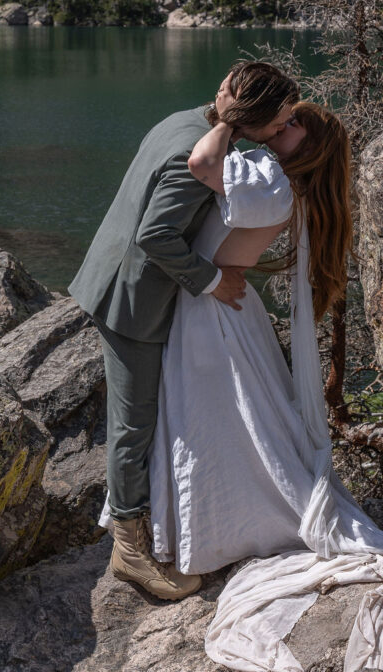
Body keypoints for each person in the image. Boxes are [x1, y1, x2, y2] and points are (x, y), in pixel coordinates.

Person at [123, 85, 383, 672]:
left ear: (311, 149)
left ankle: (214, 528)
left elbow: (201, 163)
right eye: (283, 119)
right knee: (220, 422)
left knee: (210, 422)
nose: (282, 126)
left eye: (293, 125)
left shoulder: (269, 186)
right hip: (218, 308)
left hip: (211, 316)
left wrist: (230, 116)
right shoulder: (270, 179)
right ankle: (194, 521)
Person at [68, 61, 300, 600]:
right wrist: (212, 280)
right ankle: (128, 548)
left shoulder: (185, 121)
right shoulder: (191, 159)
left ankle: (147, 524)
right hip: (133, 302)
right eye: (282, 119)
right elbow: (156, 237)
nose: (285, 126)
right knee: (134, 422)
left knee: (139, 418)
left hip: (115, 280)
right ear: (257, 121)